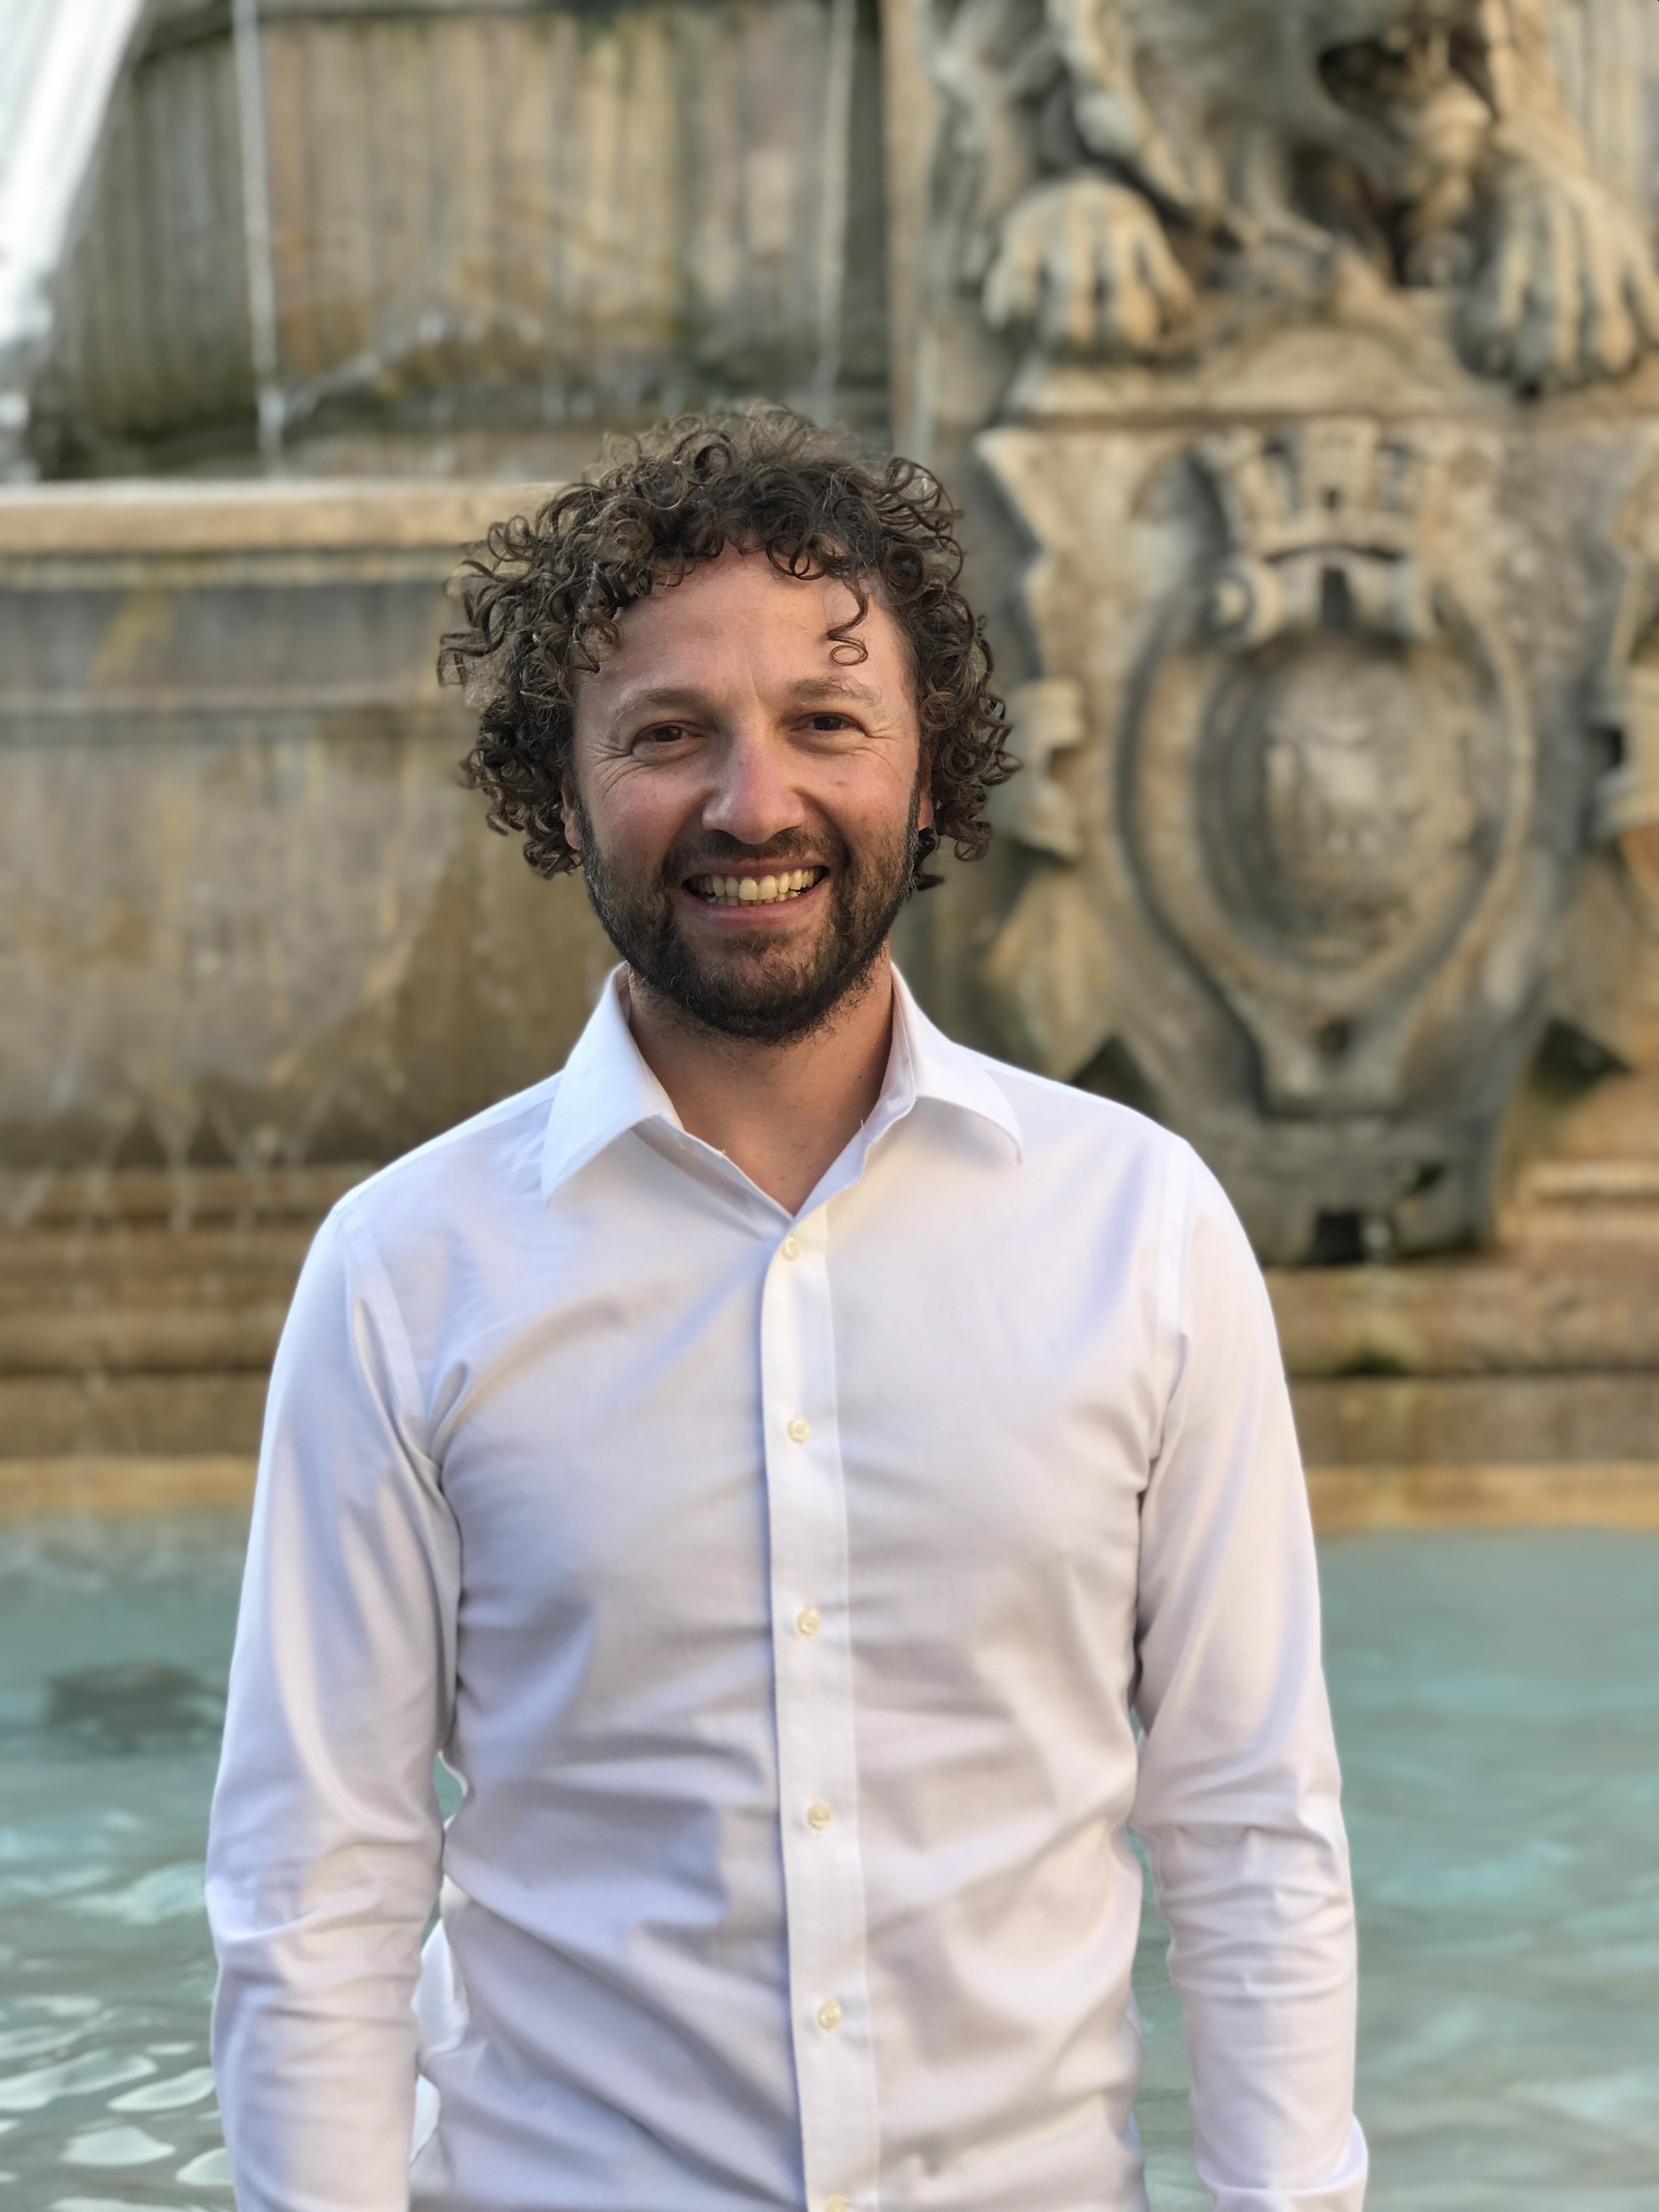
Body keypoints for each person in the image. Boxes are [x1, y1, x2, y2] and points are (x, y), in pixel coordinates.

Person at [206, 410, 1367, 2212]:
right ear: (564, 783)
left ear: (928, 773)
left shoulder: (1143, 1232)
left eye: (826, 724)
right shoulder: (403, 1270)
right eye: (669, 736)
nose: (754, 803)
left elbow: (1250, 1829)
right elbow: (318, 1890)